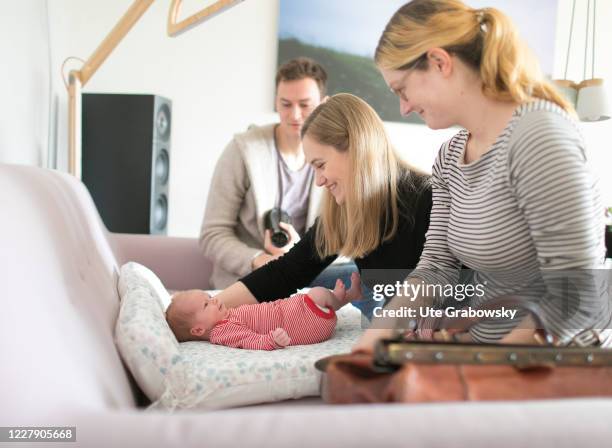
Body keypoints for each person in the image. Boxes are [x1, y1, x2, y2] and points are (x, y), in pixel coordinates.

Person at [354, 0, 609, 353]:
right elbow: (435, 268)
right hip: (486, 353)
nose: (404, 107)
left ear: (440, 63)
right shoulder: (449, 157)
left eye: (402, 89)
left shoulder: (538, 136)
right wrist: (375, 336)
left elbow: (575, 296)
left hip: (551, 364)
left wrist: (491, 362)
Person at [212, 93, 432, 319]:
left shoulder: (430, 200)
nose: (319, 180)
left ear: (355, 148)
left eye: (321, 165)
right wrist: (208, 309)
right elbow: (287, 272)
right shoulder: (345, 213)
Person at [201, 57, 335, 289]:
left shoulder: (337, 156)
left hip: (307, 285)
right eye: (285, 104)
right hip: (244, 283)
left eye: (305, 105)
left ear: (323, 104)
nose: (294, 115)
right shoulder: (242, 150)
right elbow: (212, 234)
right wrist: (261, 262)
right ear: (275, 101)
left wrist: (299, 255)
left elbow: (344, 238)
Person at [165, 275, 362, 349]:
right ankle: (340, 300)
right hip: (303, 325)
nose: (214, 300)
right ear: (198, 330)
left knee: (317, 296)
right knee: (318, 294)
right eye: (206, 305)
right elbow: (248, 339)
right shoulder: (221, 332)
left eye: (209, 297)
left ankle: (343, 298)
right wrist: (271, 341)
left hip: (295, 313)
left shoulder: (224, 319)